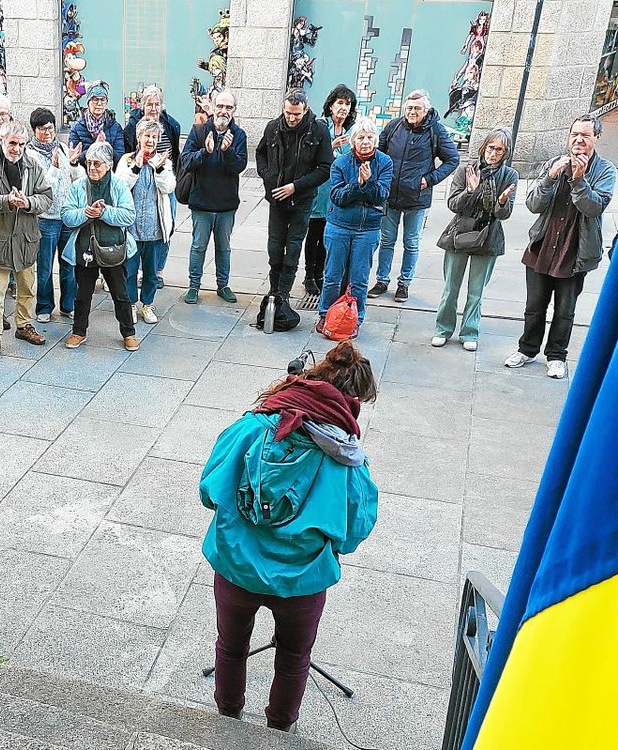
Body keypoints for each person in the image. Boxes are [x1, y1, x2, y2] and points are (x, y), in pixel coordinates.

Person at [199, 341, 378, 733]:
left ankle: (227, 724)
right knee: (294, 659)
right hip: (303, 582)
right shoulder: (346, 458)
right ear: (351, 402)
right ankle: (280, 733)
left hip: (235, 568)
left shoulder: (249, 428)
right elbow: (354, 532)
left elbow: (209, 492)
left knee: (230, 647)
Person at [505, 114, 616, 379]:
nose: (578, 140)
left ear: (596, 139)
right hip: (542, 246)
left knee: (565, 310)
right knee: (534, 306)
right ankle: (527, 349)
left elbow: (594, 207)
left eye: (585, 135)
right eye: (575, 134)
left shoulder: (605, 171)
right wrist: (550, 178)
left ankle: (556, 356)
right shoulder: (554, 163)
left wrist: (578, 180)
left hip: (575, 251)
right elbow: (533, 204)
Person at [0, 121, 54, 360]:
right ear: (1, 141)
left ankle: (24, 326)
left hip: (26, 240)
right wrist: (7, 201)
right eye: (13, 143)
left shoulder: (32, 164)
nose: (17, 149)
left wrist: (28, 203)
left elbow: (46, 197)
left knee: (27, 289)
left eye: (21, 144)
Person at [369, 89, 460, 302]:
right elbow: (378, 153)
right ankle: (382, 280)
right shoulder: (393, 127)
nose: (412, 112)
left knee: (411, 243)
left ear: (426, 110)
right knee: (387, 240)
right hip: (390, 196)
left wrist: (429, 179)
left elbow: (452, 159)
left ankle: (404, 284)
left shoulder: (435, 130)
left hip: (416, 199)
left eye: (417, 108)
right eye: (409, 108)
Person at [432, 128, 519, 351]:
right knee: (451, 287)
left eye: (499, 150)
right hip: (460, 233)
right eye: (491, 147)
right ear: (484, 147)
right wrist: (470, 191)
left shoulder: (509, 175)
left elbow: (504, 214)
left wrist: (500, 202)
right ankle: (443, 328)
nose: (493, 153)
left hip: (488, 236)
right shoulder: (466, 169)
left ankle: (470, 331)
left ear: (505, 152)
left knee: (476, 290)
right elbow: (452, 204)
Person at [60, 141, 139, 352]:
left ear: (109, 165)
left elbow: (129, 215)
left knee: (120, 294)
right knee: (82, 294)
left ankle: (129, 332)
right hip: (85, 249)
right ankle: (78, 331)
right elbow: (66, 215)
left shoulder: (119, 185)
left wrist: (104, 212)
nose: (92, 168)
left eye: (97, 164)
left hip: (113, 248)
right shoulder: (78, 186)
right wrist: (86, 212)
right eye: (89, 163)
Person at [317, 119, 394, 333]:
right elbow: (338, 197)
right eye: (360, 137)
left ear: (376, 141)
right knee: (332, 276)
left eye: (370, 137)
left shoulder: (385, 162)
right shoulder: (340, 163)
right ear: (353, 142)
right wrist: (358, 184)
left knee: (359, 279)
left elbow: (381, 196)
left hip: (367, 229)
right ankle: (326, 315)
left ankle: (355, 319)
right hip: (339, 226)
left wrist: (368, 183)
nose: (365, 142)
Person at [256, 90, 334, 300]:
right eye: (289, 113)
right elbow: (260, 153)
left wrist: (296, 186)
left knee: (293, 247)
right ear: (284, 108)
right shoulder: (273, 127)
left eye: (297, 114)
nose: (291, 118)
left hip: (302, 199)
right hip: (276, 197)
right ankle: (274, 288)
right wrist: (267, 175)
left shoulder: (319, 130)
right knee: (274, 246)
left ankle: (284, 292)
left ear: (306, 109)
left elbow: (325, 168)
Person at [180, 89, 246, 304]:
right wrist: (205, 152)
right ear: (212, 107)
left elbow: (239, 166)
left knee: (223, 247)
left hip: (226, 205)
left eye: (228, 107)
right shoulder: (199, 131)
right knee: (198, 246)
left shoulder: (239, 135)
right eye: (220, 106)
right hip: (202, 202)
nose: (224, 111)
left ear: (234, 110)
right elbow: (186, 161)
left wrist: (227, 151)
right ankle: (193, 286)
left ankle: (223, 284)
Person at [116, 118, 176, 324]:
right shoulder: (126, 160)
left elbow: (169, 187)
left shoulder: (164, 162)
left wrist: (158, 170)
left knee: (151, 273)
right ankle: (131, 304)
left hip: (155, 229)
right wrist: (136, 168)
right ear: (138, 137)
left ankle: (147, 305)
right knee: (130, 271)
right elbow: (120, 187)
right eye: (146, 136)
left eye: (154, 136)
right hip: (131, 229)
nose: (150, 140)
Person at [122, 84, 182, 288]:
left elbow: (174, 156)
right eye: (149, 104)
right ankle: (138, 271)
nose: (154, 108)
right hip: (139, 181)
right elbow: (125, 168)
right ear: (142, 106)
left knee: (166, 227)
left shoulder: (171, 125)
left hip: (162, 176)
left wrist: (162, 169)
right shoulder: (132, 127)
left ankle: (157, 270)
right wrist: (137, 166)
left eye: (157, 104)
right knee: (137, 230)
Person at [27, 107, 83, 322]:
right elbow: (41, 187)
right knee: (45, 267)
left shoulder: (61, 148)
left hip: (67, 216)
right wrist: (55, 168)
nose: (47, 132)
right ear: (34, 131)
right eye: (42, 129)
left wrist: (75, 163)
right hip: (45, 219)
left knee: (69, 264)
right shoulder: (30, 155)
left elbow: (76, 179)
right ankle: (44, 307)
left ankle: (68, 305)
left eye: (50, 128)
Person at [304, 85, 357, 297]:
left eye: (348, 104)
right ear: (331, 105)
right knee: (314, 233)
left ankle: (320, 274)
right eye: (340, 103)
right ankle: (309, 275)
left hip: (338, 193)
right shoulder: (320, 126)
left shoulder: (352, 131)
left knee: (329, 236)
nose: (343, 108)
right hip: (319, 190)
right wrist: (331, 146)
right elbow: (310, 156)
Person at [68, 81, 125, 167]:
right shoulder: (77, 127)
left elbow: (120, 158)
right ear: (88, 102)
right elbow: (75, 158)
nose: (99, 103)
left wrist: (105, 147)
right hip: (84, 173)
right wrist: (95, 146)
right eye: (95, 99)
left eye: (102, 100)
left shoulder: (115, 127)